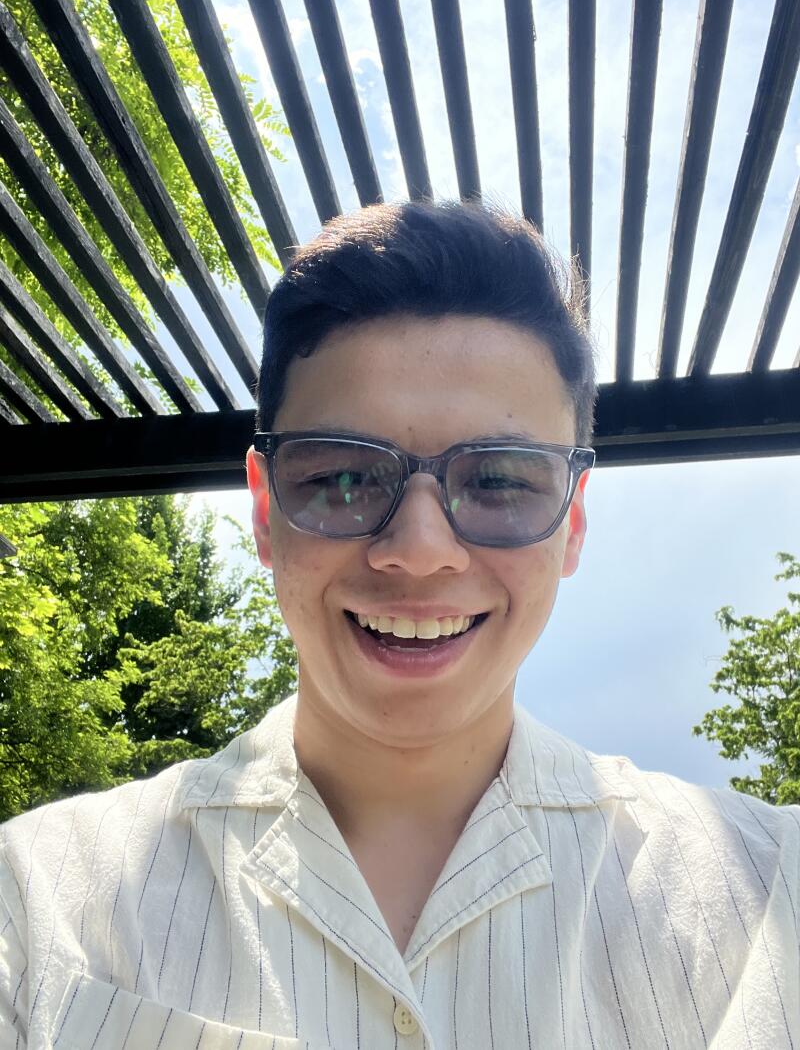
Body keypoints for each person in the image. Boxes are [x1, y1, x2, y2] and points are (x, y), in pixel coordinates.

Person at [1, 201, 797, 1050]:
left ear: (571, 522)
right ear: (266, 508)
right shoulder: (39, 903)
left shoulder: (772, 889)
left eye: (498, 480)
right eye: (343, 477)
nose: (419, 553)